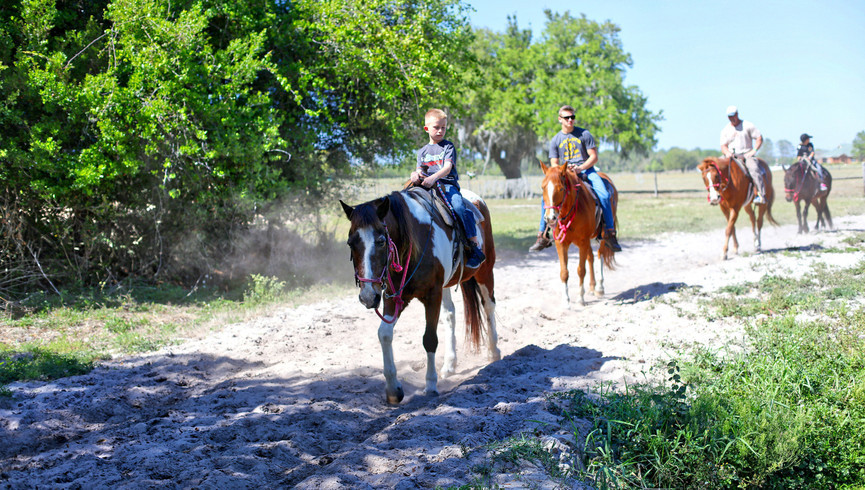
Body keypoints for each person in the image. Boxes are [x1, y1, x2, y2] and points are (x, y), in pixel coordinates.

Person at [529, 105, 622, 252]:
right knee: (545, 200)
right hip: (565, 174)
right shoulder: (556, 140)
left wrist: (580, 168)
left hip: (587, 171)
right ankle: (542, 235)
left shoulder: (584, 134)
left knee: (604, 194)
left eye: (572, 117)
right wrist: (562, 171)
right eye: (567, 117)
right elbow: (554, 163)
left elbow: (594, 156)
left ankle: (610, 233)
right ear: (560, 119)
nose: (570, 120)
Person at [411, 108, 485, 268]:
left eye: (443, 127)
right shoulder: (422, 151)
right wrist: (414, 174)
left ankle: (474, 246)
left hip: (447, 185)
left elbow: (447, 167)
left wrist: (433, 177)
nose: (440, 131)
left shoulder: (448, 147)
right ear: (426, 129)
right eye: (436, 127)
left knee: (458, 207)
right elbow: (419, 170)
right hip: (427, 187)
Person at [720, 105, 766, 203]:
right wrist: (727, 153)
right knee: (717, 168)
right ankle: (718, 195)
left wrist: (753, 151)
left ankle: (760, 195)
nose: (732, 118)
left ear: (737, 114)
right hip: (732, 156)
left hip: (746, 155)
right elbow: (723, 146)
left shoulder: (747, 125)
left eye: (733, 116)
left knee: (754, 169)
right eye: (729, 117)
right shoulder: (725, 130)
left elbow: (759, 138)